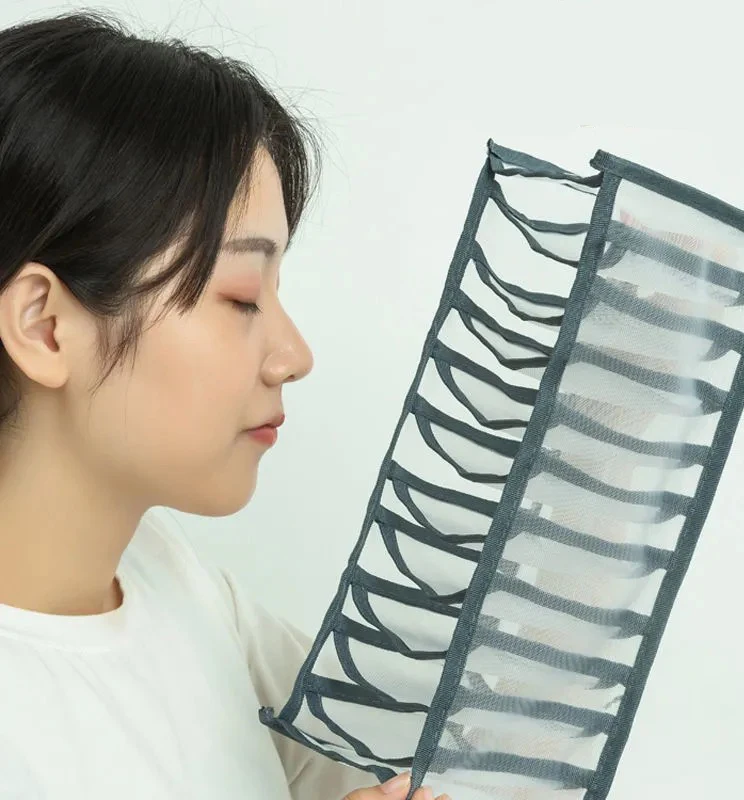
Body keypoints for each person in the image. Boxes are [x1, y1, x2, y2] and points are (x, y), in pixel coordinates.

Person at [0, 9, 449, 800]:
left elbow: (411, 757)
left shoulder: (176, 585)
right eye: (242, 296)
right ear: (45, 326)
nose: (293, 356)